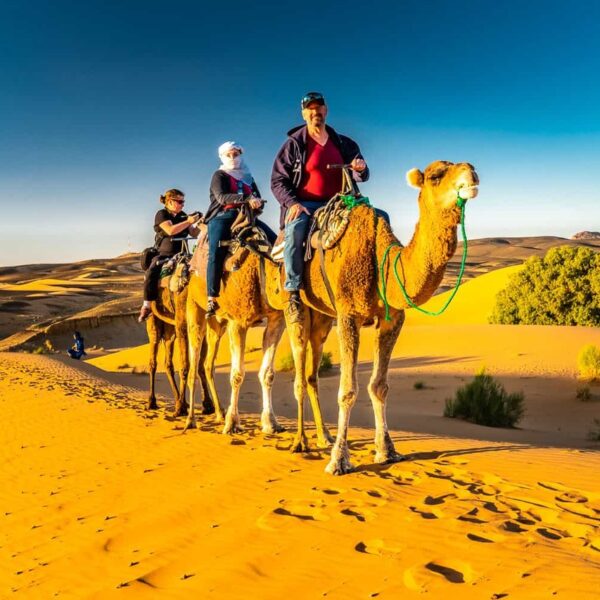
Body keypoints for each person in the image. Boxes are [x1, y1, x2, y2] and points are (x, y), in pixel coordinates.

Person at [271, 91, 385, 323]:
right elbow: (277, 180)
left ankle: (379, 283)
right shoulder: (293, 145)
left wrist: (360, 168)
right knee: (295, 231)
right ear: (304, 114)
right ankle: (292, 292)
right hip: (306, 204)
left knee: (379, 218)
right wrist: (292, 203)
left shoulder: (344, 143)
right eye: (310, 109)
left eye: (319, 108)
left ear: (326, 111)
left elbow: (362, 175)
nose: (316, 112)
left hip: (342, 202)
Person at [205, 141, 277, 318]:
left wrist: (257, 203)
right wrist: (247, 197)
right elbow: (222, 197)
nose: (232, 158)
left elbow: (257, 198)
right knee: (216, 252)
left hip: (247, 217)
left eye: (235, 154)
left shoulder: (248, 177)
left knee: (275, 243)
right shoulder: (219, 175)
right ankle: (211, 296)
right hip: (222, 216)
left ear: (241, 155)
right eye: (228, 155)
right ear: (222, 156)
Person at [138, 189, 201, 322]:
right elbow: (170, 230)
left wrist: (201, 222)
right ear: (170, 202)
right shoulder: (162, 214)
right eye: (180, 201)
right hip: (164, 254)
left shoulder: (183, 215)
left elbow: (194, 233)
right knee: (152, 271)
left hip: (183, 253)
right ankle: (147, 305)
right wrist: (189, 221)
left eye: (183, 202)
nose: (182, 204)